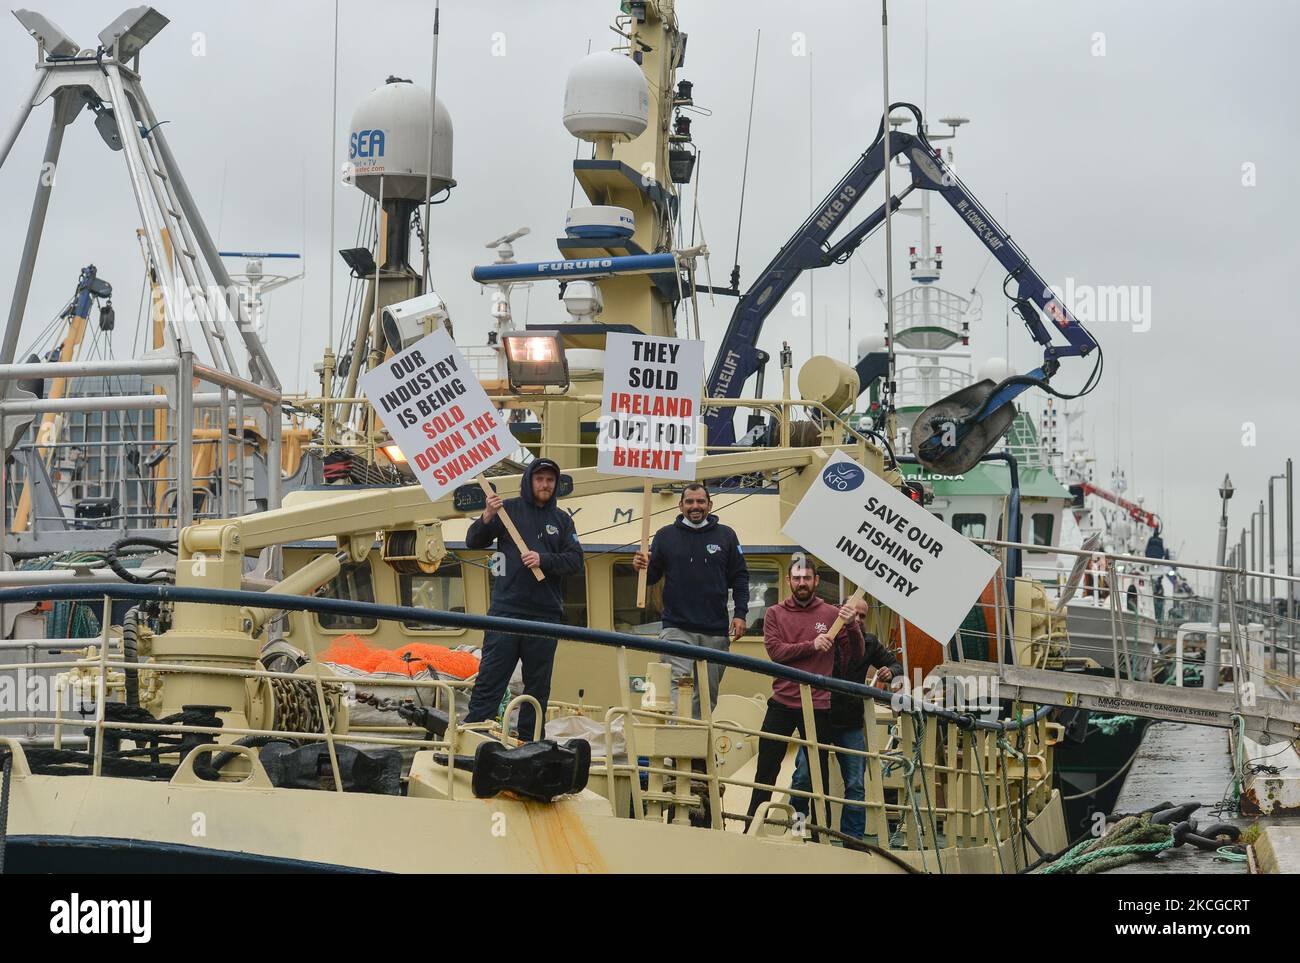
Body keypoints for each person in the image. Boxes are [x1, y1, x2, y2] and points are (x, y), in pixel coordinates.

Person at [463, 458, 583, 740]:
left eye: (550, 480)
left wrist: (544, 559)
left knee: (538, 687)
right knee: (491, 679)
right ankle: (473, 734)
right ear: (529, 481)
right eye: (539, 479)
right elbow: (473, 541)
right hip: (506, 611)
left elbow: (576, 561)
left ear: (555, 485)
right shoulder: (509, 511)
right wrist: (488, 516)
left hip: (545, 616)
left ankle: (530, 741)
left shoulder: (563, 521)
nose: (545, 484)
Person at [745, 560, 863, 830]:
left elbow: (855, 657)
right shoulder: (774, 613)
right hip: (782, 703)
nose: (801, 583)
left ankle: (813, 833)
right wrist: (812, 645)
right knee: (765, 771)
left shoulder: (832, 613)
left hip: (818, 706)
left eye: (807, 578)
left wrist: (853, 624)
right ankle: (750, 828)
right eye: (797, 578)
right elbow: (776, 652)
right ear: (788, 581)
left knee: (815, 779)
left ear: (816, 581)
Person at [788, 595, 902, 840]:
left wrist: (889, 671)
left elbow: (896, 666)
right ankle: (796, 832)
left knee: (855, 784)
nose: (858, 619)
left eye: (863, 616)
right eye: (854, 613)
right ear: (840, 611)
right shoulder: (824, 637)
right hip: (818, 718)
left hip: (849, 722)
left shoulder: (869, 643)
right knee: (802, 779)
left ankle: (853, 840)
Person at [632, 482, 748, 718]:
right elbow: (651, 576)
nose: (695, 507)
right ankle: (678, 744)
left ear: (710, 505)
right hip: (677, 628)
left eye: (700, 502)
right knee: (679, 685)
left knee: (707, 695)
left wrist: (740, 614)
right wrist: (640, 566)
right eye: (690, 502)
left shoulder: (726, 535)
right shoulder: (665, 536)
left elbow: (740, 577)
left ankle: (695, 749)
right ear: (681, 505)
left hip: (715, 631)